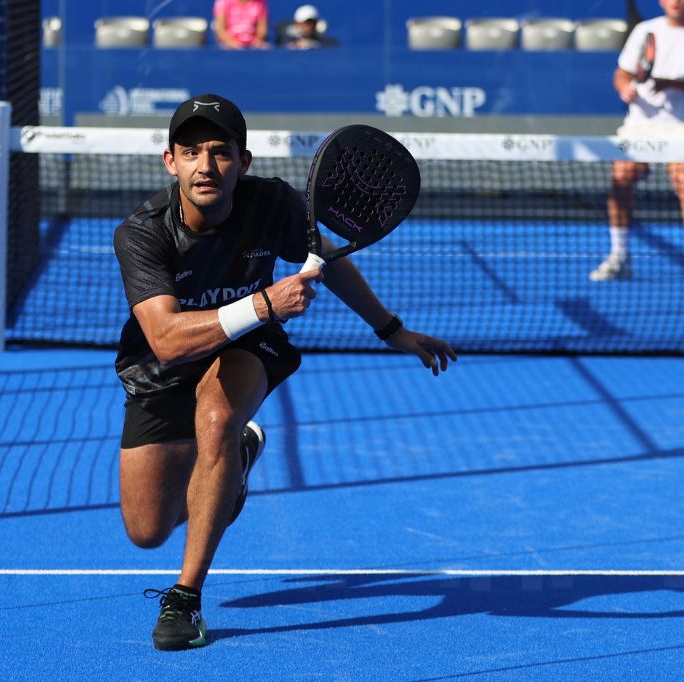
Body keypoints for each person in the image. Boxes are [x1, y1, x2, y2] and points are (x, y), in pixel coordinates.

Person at [113, 93, 456, 651]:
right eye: (191, 152)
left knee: (218, 418)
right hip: (163, 366)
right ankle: (237, 464)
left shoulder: (272, 203)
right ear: (169, 161)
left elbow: (332, 262)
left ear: (242, 162)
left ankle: (185, 599)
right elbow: (167, 341)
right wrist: (263, 304)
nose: (206, 165)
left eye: (221, 152)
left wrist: (391, 329)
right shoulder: (142, 234)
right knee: (147, 530)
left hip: (247, 347)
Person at [591, 0, 684, 284]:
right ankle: (620, 256)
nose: (676, 1)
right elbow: (623, 73)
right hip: (641, 126)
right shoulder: (645, 30)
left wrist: (673, 83)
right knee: (622, 177)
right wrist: (625, 89)